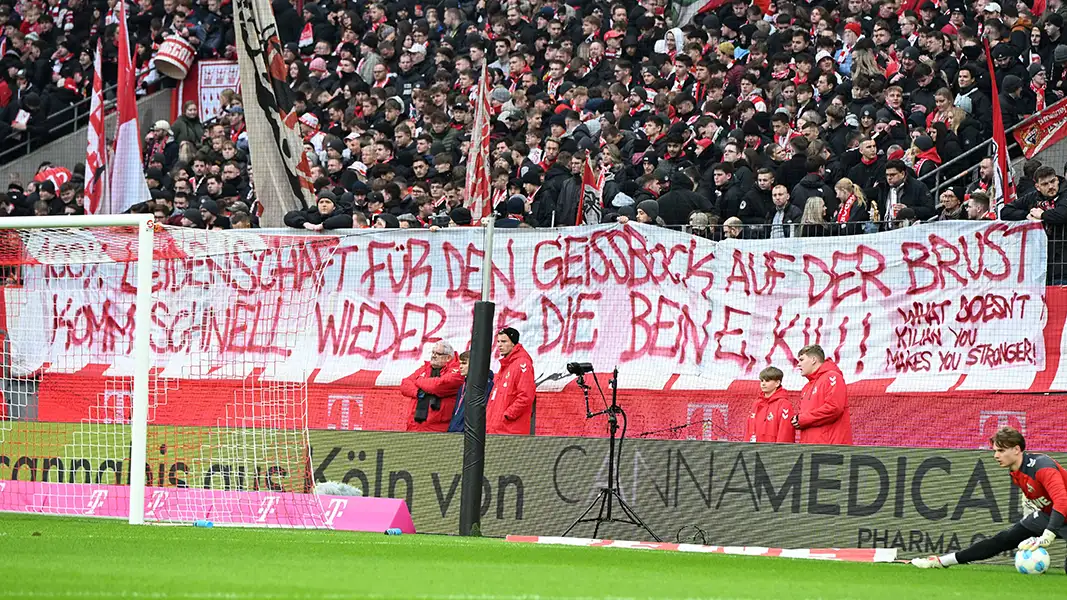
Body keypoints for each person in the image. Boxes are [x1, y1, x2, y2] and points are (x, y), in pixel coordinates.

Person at [912, 427, 1067, 572]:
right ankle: (941, 561)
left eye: (1001, 450)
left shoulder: (1042, 466)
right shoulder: (1016, 473)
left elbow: (1062, 500)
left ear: (1017, 449)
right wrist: (1033, 531)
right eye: (995, 451)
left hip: (1059, 513)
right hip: (1051, 515)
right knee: (1003, 539)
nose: (996, 456)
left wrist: (1048, 534)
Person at [791, 344, 852, 445]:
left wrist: (802, 419)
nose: (798, 364)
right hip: (810, 447)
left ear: (813, 360)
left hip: (829, 448)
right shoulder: (806, 387)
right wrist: (798, 421)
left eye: (801, 360)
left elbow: (834, 408)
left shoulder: (832, 377)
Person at [399, 341, 465, 432]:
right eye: (433, 352)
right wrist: (419, 392)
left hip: (439, 429)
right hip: (415, 426)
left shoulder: (458, 371)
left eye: (438, 354)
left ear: (448, 357)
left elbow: (437, 386)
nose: (433, 356)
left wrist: (418, 380)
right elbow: (404, 385)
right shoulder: (426, 368)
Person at [485, 327, 536, 435]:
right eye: (498, 341)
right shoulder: (506, 365)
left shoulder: (522, 363)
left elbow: (526, 396)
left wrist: (508, 415)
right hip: (497, 429)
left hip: (509, 430)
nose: (499, 345)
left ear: (513, 343)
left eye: (504, 341)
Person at [447, 351, 495, 433]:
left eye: (464, 363)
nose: (460, 367)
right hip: (456, 431)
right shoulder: (464, 385)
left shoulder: (484, 385)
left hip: (469, 434)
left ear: (475, 364)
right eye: (460, 364)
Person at [745, 367, 795, 443]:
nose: (763, 384)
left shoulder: (784, 404)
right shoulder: (756, 403)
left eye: (767, 381)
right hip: (754, 450)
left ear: (777, 383)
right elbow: (748, 430)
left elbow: (785, 433)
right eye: (761, 381)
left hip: (773, 452)